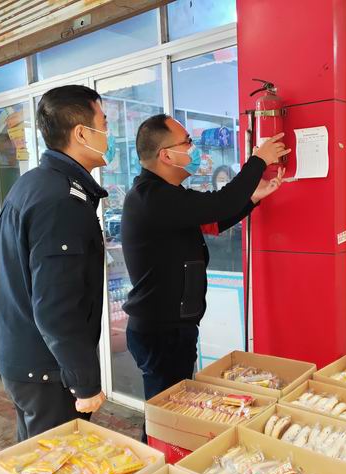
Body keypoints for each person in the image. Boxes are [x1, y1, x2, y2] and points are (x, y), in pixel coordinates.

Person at [121, 113, 288, 442]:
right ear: (166, 155)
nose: (193, 148)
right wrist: (258, 160)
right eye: (187, 142)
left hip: (171, 327)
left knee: (170, 412)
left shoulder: (165, 195)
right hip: (160, 331)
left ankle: (162, 457)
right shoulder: (152, 196)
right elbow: (218, 204)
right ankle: (156, 464)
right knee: (165, 418)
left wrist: (252, 198)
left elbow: (214, 219)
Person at [0, 85, 111, 441]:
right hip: (45, 368)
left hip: (25, 357)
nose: (108, 133)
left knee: (34, 456)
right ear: (82, 133)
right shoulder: (62, 201)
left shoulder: (37, 183)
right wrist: (85, 382)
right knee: (57, 461)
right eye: (104, 123)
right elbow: (57, 307)